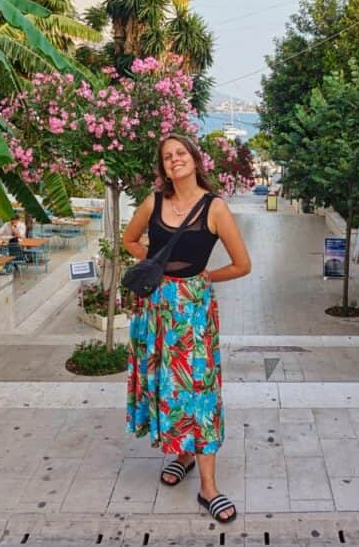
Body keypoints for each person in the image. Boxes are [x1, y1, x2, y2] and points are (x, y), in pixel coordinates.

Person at [121, 134, 251, 523]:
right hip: (157, 311)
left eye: (181, 153)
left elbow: (243, 265)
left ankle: (209, 489)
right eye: (167, 157)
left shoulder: (216, 208)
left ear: (195, 160)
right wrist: (155, 262)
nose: (174, 160)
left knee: (199, 390)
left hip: (193, 312)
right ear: (163, 168)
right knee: (166, 384)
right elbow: (128, 240)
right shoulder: (153, 202)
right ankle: (183, 453)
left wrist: (204, 276)